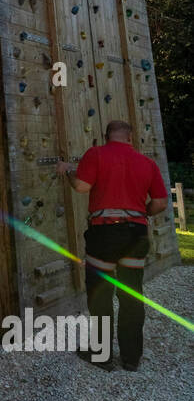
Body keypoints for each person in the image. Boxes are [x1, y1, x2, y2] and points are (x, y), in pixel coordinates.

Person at [57, 121, 168, 370]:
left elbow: (82, 186)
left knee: (101, 295)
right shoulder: (147, 163)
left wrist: (67, 170)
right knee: (131, 294)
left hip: (105, 232)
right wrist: (142, 215)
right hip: (136, 233)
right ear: (131, 137)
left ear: (105, 137)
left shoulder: (96, 154)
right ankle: (131, 358)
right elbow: (160, 203)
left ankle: (102, 354)